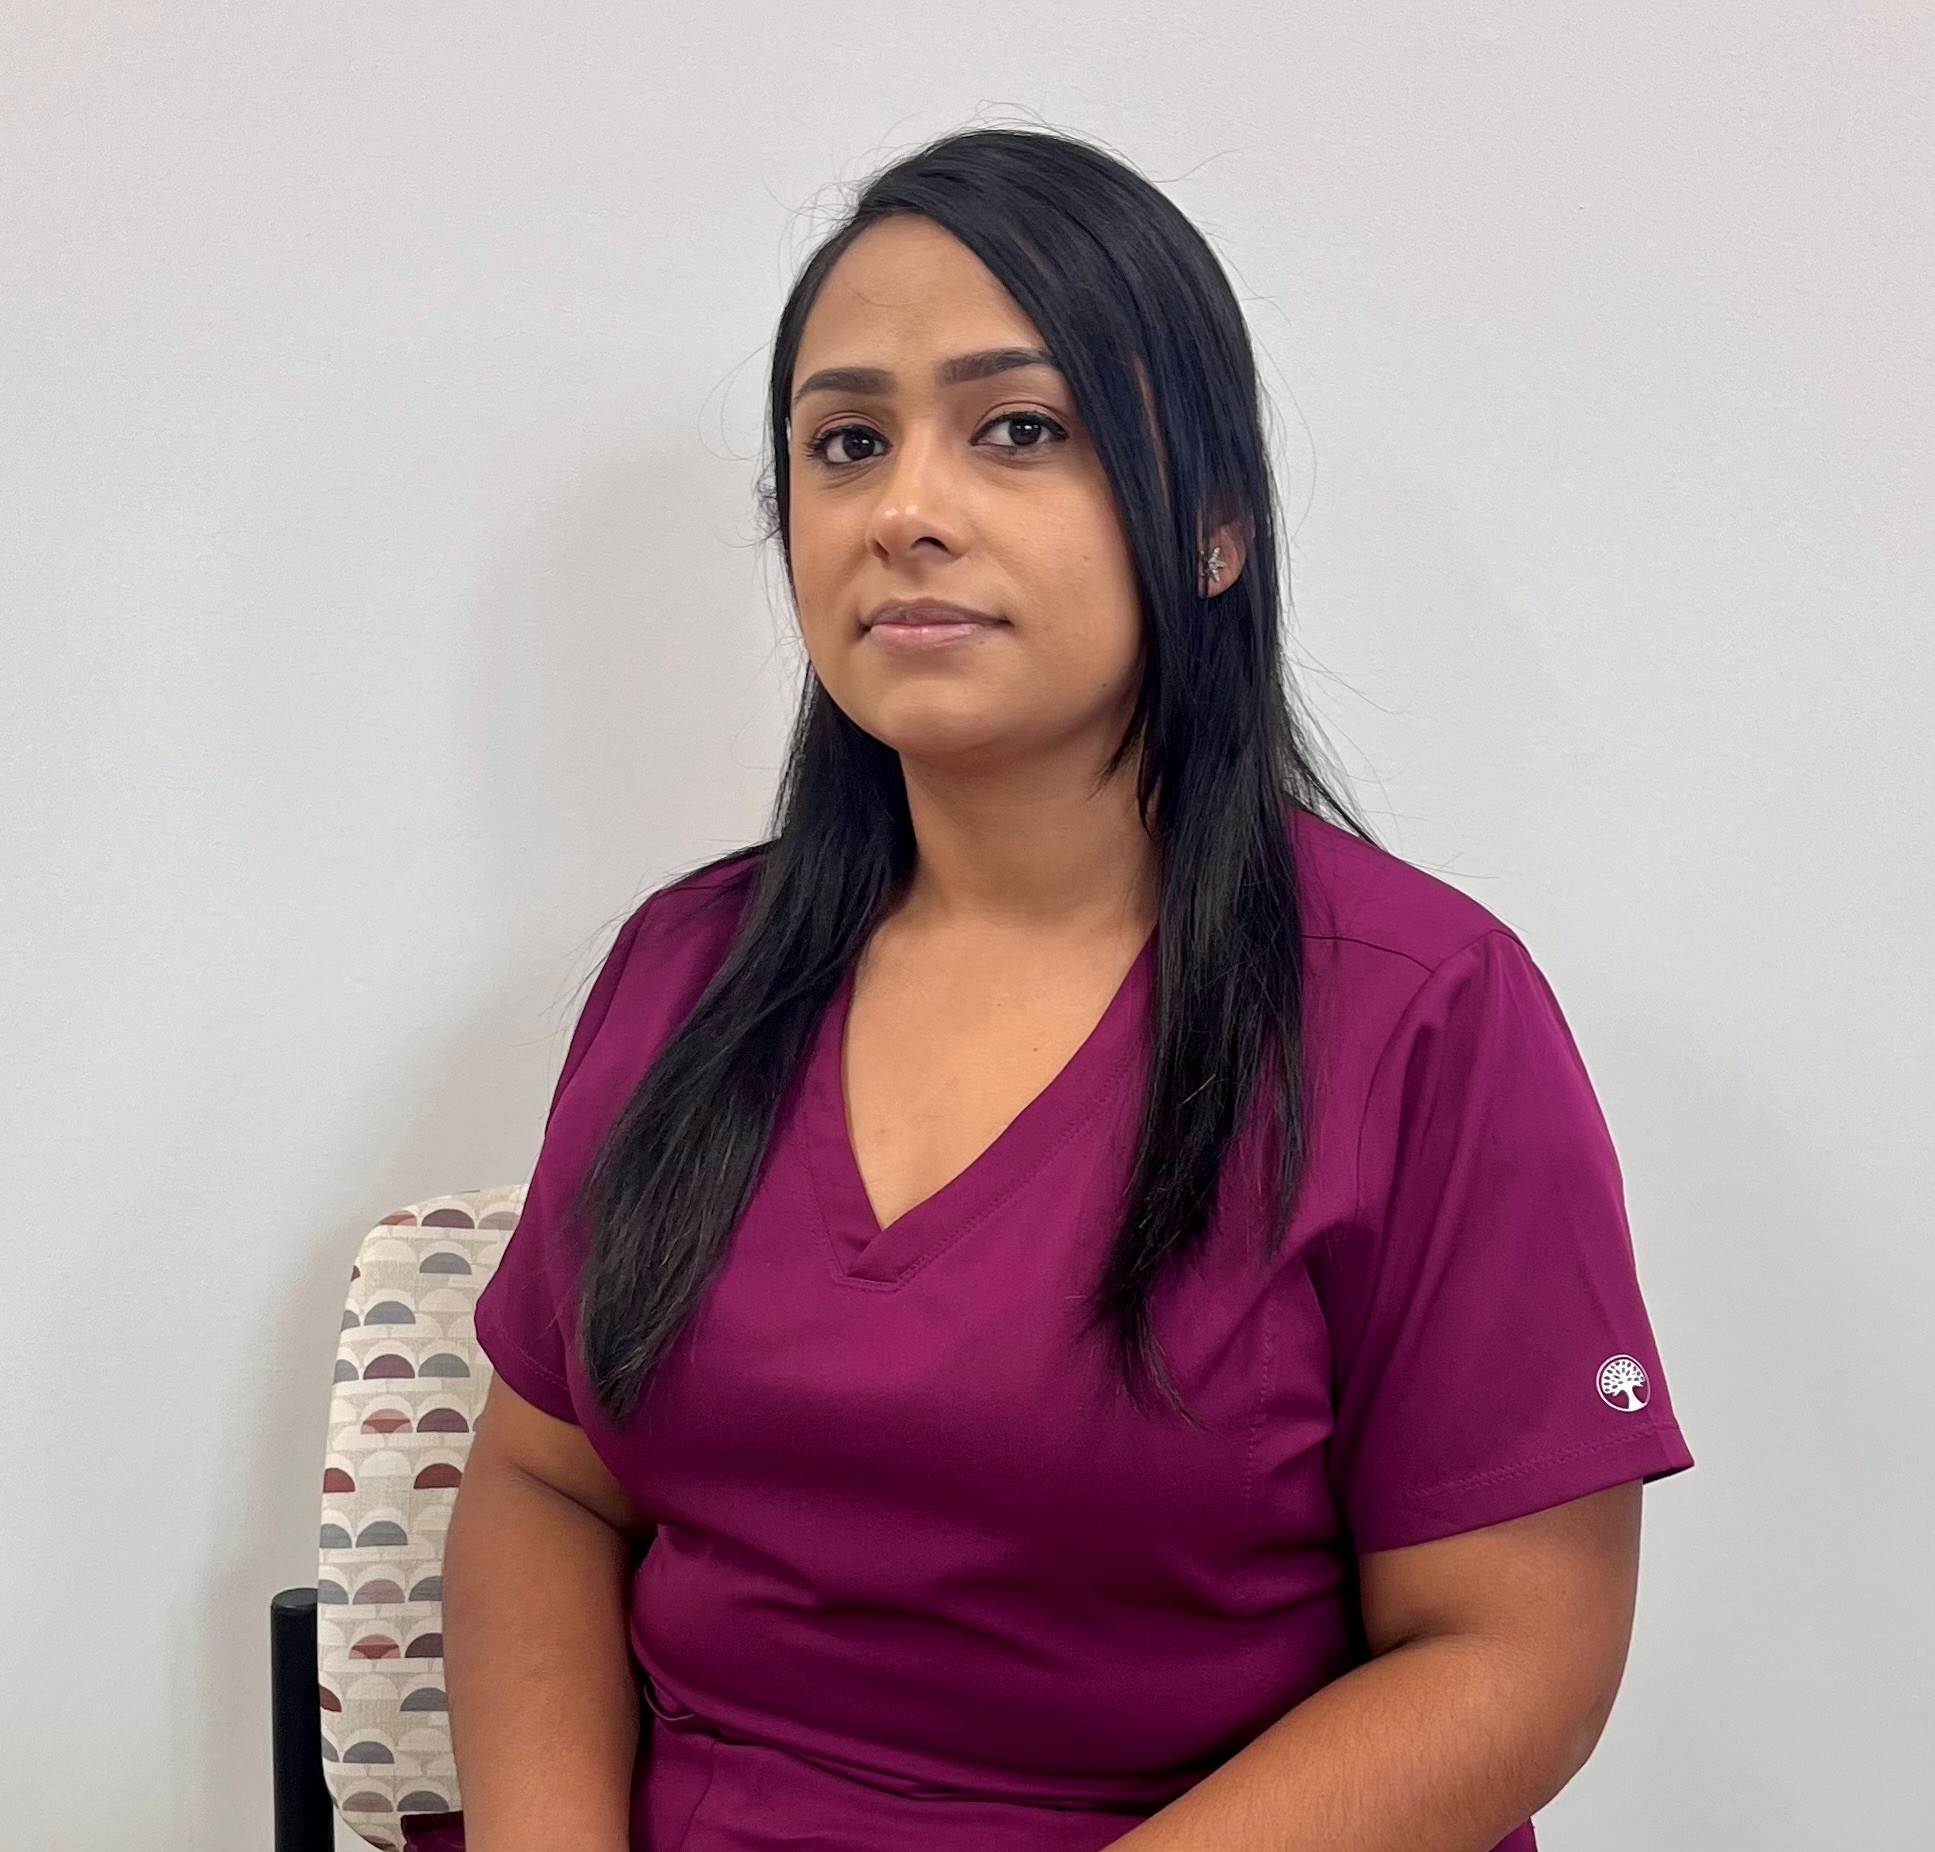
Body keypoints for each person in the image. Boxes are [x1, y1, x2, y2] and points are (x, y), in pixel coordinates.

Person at [440, 125, 1694, 1852]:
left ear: (1216, 528)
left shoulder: (1424, 1013)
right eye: (847, 443)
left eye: (1019, 429)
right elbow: (544, 1482)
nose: (906, 511)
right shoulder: (687, 971)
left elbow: (1514, 1656)